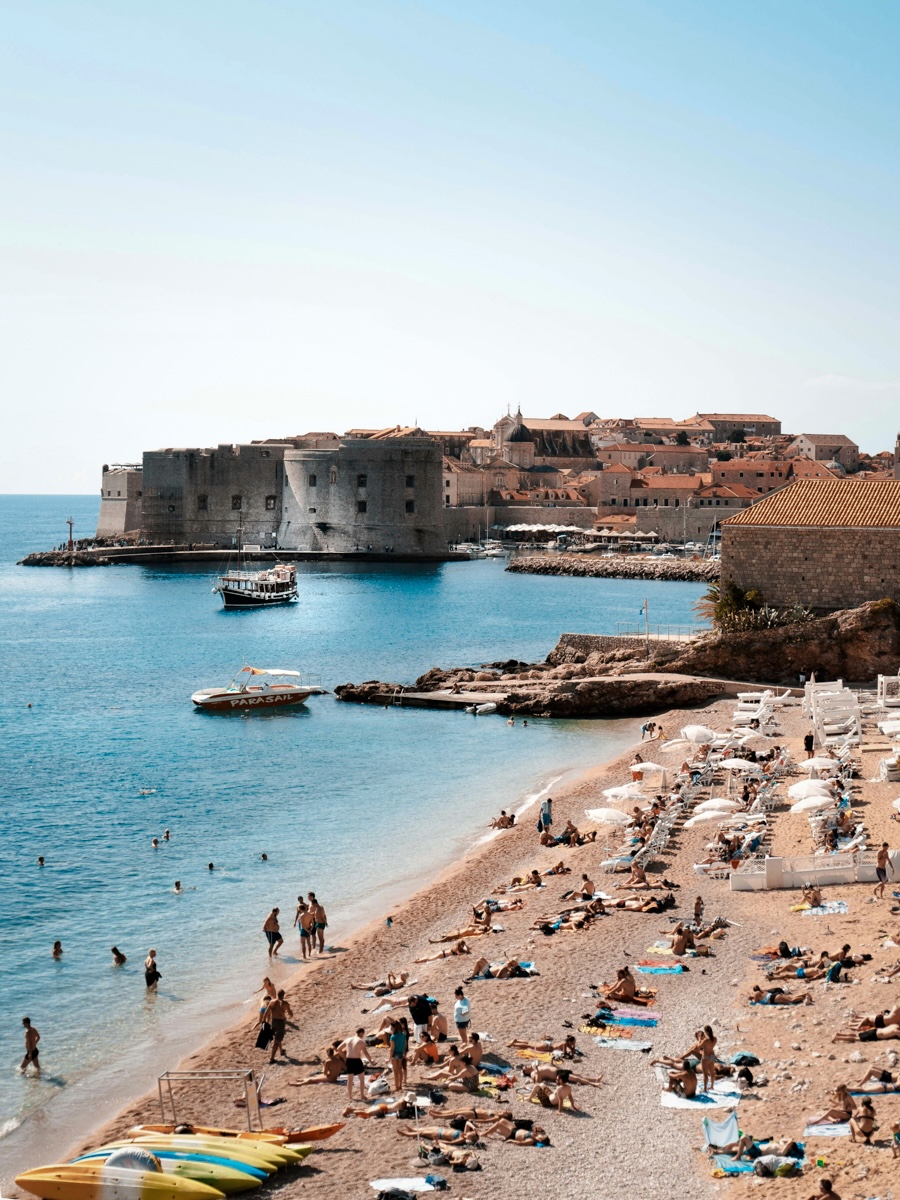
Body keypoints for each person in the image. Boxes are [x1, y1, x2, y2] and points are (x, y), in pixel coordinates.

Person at [342, 1027, 374, 1100]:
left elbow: (338, 1049)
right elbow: (366, 1053)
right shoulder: (360, 1041)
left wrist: (344, 1057)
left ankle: (350, 1096)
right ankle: (362, 1095)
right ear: (361, 1033)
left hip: (349, 1060)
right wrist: (370, 1061)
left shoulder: (348, 1039)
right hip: (356, 1060)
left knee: (350, 1079)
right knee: (361, 1079)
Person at [262, 989, 293, 1064]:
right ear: (283, 995)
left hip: (273, 1022)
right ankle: (272, 1059)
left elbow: (266, 1012)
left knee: (277, 1037)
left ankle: (281, 1050)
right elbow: (290, 1013)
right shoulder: (285, 1003)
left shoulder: (272, 1002)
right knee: (277, 1041)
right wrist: (290, 1014)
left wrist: (264, 1021)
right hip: (280, 1022)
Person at [388, 1019, 408, 1091]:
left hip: (395, 1054)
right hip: (400, 1053)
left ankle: (397, 1086)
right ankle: (400, 1086)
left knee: (395, 1071)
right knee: (400, 1070)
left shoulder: (393, 1037)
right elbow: (405, 1045)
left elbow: (392, 1048)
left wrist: (389, 1057)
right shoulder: (403, 1035)